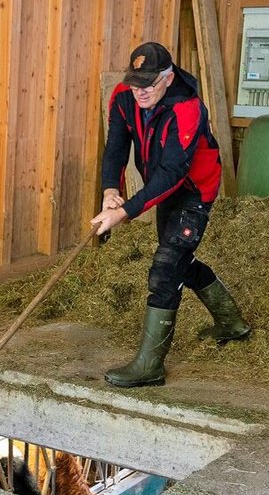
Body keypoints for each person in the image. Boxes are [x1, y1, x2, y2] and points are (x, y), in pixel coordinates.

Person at [91, 41, 250, 388]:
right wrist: (110, 191)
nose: (140, 91)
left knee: (165, 269)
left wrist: (127, 212)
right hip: (161, 187)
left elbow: (173, 172)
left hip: (193, 190)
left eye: (148, 83)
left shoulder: (186, 108)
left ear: (167, 76)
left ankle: (150, 366)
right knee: (180, 260)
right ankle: (232, 322)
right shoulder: (123, 96)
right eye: (135, 82)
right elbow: (115, 147)